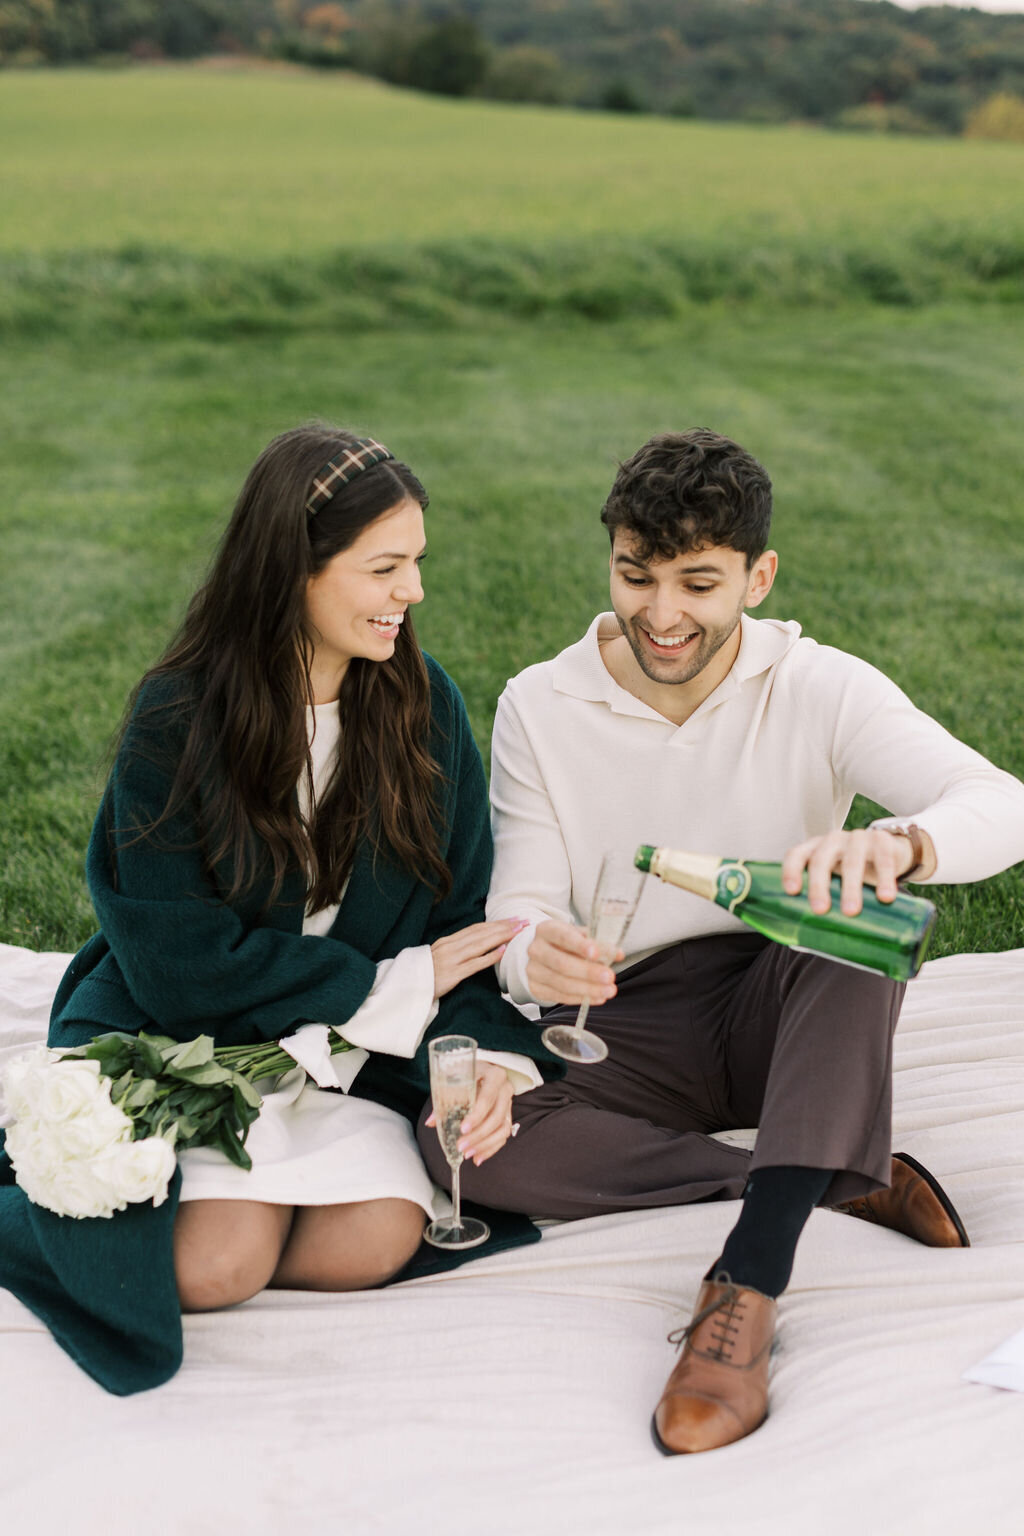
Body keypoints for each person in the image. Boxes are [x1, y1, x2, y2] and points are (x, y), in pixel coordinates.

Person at [416, 428, 1024, 1454]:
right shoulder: (539, 703)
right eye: (635, 575)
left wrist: (902, 845)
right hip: (623, 1019)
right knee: (460, 1143)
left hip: (782, 1008)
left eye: (699, 583)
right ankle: (826, 1166)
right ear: (609, 556)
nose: (661, 614)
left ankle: (747, 1278)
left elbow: (1000, 804)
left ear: (758, 575)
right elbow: (517, 913)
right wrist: (534, 956)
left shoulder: (820, 686)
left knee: (854, 918)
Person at [44, 423, 557, 1326]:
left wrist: (484, 1063)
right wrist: (389, 984)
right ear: (293, 570)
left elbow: (459, 928)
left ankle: (269, 1194)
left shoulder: (425, 707)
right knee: (216, 1269)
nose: (415, 591)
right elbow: (179, 960)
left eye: (417, 561)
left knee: (371, 1245)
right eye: (384, 567)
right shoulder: (179, 717)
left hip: (351, 1061)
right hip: (192, 1042)